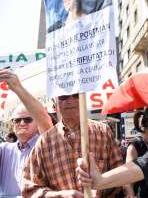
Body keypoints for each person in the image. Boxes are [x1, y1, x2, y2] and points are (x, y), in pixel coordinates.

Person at [22, 92, 123, 197]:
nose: (70, 101)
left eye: (76, 95)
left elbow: (120, 174)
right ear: (54, 102)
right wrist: (59, 195)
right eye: (63, 96)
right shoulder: (44, 143)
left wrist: (100, 188)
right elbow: (29, 189)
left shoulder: (103, 132)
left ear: (84, 98)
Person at [0, 69, 53, 197]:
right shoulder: (4, 149)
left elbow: (43, 118)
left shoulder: (44, 145)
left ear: (36, 123)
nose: (22, 123)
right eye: (17, 120)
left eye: (28, 119)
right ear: (12, 124)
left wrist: (17, 87)